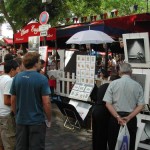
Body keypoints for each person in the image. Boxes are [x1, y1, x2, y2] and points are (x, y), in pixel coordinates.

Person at [10, 52, 52, 150]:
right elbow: (46, 102)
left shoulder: (17, 77)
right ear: (35, 63)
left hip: (21, 120)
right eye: (38, 61)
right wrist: (49, 119)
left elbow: (13, 100)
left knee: (21, 147)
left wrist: (16, 114)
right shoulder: (42, 79)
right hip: (37, 121)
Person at [103, 63, 145, 150]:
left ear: (119, 72)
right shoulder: (138, 86)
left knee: (113, 144)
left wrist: (118, 117)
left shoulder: (113, 84)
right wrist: (129, 117)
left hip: (115, 119)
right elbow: (141, 106)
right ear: (131, 72)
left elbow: (108, 103)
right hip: (131, 119)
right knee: (129, 144)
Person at [92, 74, 120, 150]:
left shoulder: (103, 85)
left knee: (96, 133)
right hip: (103, 111)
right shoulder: (112, 87)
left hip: (95, 109)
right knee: (102, 133)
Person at [0, 60, 19, 150]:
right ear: (12, 70)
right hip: (6, 115)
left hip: (1, 113)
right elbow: (7, 101)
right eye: (17, 69)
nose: (18, 71)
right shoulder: (9, 80)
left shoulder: (1, 78)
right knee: (10, 144)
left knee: (2, 143)